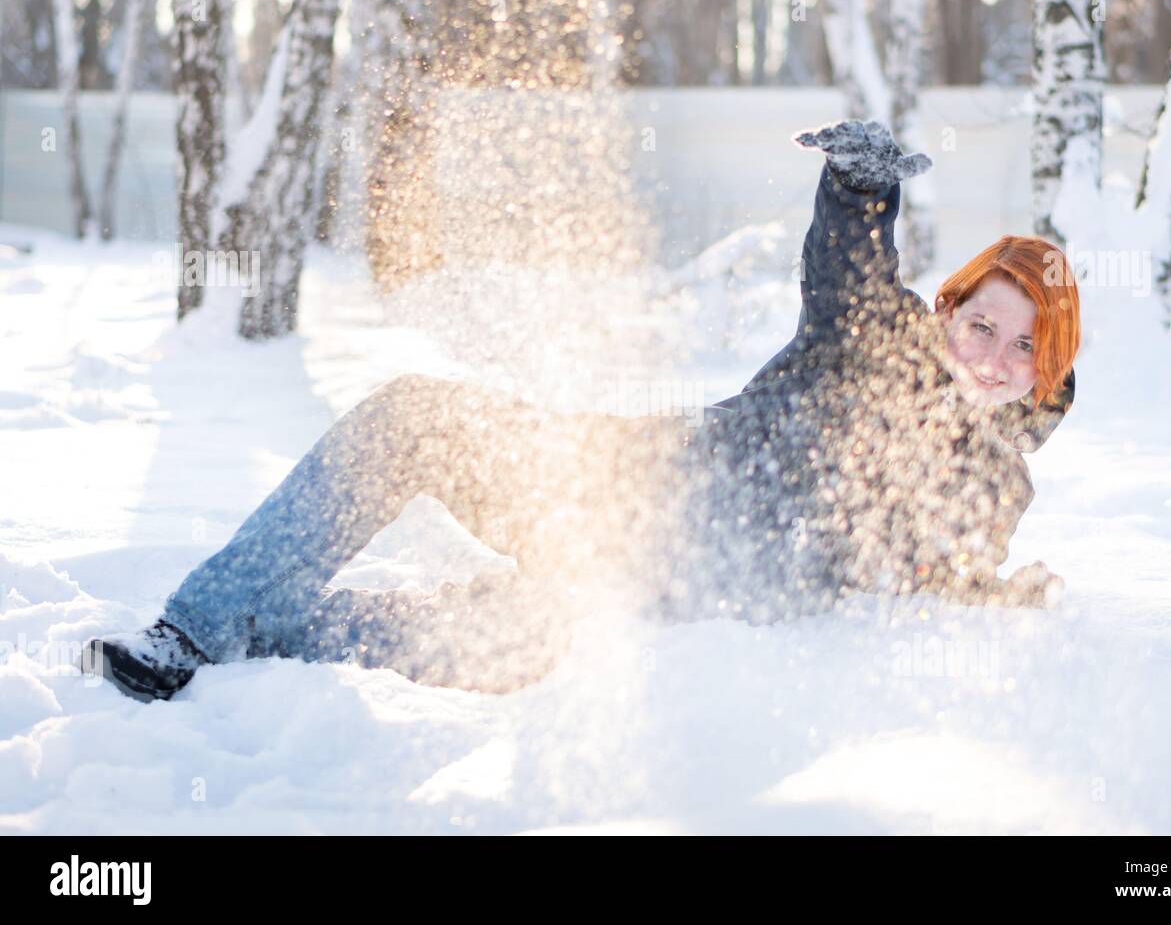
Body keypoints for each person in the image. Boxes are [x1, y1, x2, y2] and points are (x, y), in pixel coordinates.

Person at [83, 120, 1080, 702]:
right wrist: (860, 185)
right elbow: (848, 271)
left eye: (1021, 348)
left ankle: (272, 635)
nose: (990, 356)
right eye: (982, 322)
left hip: (632, 603)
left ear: (1042, 374)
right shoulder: (875, 341)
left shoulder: (994, 477)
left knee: (455, 639)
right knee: (415, 415)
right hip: (601, 480)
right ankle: (196, 631)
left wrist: (985, 591)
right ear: (947, 307)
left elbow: (937, 562)